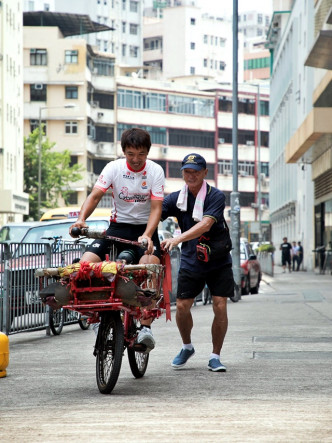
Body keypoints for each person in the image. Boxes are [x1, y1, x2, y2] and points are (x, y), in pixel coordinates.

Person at [70, 128, 165, 352]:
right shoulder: (114, 168)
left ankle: (145, 327)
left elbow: (156, 208)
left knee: (151, 266)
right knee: (85, 264)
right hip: (116, 228)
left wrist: (148, 235)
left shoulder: (155, 171)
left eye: (141, 154)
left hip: (145, 230)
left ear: (148, 153)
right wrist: (81, 220)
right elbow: (95, 195)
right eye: (130, 154)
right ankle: (94, 318)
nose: (135, 159)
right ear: (123, 151)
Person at [160, 153, 234, 372]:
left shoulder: (216, 196)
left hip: (218, 258)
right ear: (182, 173)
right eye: (187, 171)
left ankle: (215, 356)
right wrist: (146, 232)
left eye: (195, 171)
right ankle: (187, 346)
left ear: (205, 173)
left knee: (220, 304)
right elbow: (156, 212)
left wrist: (177, 239)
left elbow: (205, 224)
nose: (191, 175)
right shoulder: (176, 198)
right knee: (182, 306)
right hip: (192, 258)